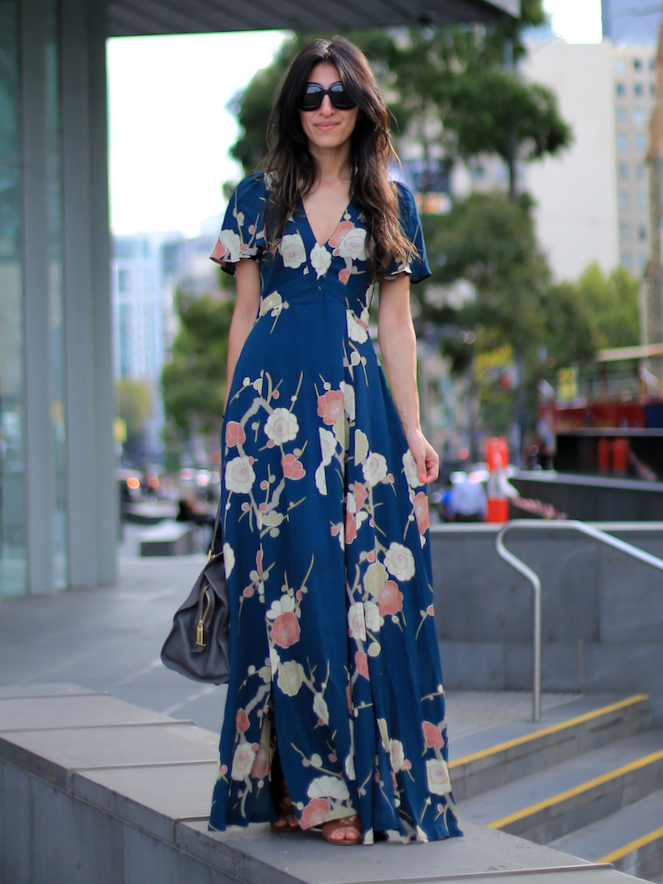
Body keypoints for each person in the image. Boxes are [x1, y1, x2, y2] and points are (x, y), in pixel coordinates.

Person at [207, 37, 460, 846]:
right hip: (270, 424)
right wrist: (231, 433)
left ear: (362, 105)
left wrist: (414, 427)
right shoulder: (257, 198)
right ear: (294, 106)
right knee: (282, 604)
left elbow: (398, 324)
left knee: (358, 604)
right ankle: (305, 791)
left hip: (360, 424)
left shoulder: (390, 202)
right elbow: (244, 317)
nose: (324, 108)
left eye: (339, 94)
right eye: (311, 95)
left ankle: (351, 787)